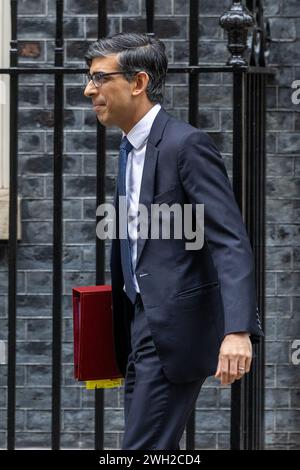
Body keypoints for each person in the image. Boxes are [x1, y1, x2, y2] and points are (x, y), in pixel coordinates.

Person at [84, 32, 263, 450]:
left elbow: (229, 240)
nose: (88, 89)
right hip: (138, 324)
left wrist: (237, 330)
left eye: (98, 77)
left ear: (138, 82)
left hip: (173, 330)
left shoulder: (186, 145)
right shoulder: (129, 148)